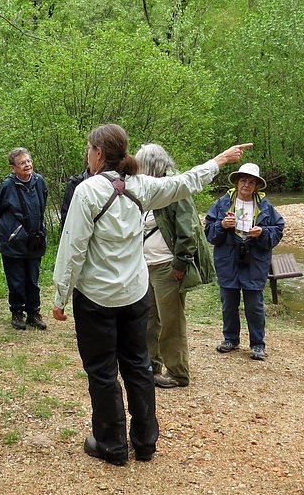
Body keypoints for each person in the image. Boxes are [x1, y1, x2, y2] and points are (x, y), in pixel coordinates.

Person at [52, 123, 250, 467]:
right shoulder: (141, 186)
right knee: (138, 366)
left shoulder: (87, 192)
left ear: (98, 152)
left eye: (89, 148)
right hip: (134, 295)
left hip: (97, 299)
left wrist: (59, 297)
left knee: (102, 370)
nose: (88, 154)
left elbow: (73, 249)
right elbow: (184, 182)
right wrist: (218, 160)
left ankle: (111, 444)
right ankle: (145, 443)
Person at [134, 143, 214, 388]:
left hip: (167, 265)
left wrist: (181, 262)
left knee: (171, 321)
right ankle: (151, 365)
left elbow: (187, 229)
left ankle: (178, 373)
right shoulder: (152, 189)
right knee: (149, 318)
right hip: (147, 264)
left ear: (150, 164)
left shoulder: (174, 187)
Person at [204, 163, 285, 361]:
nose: (246, 184)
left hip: (255, 261)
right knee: (228, 302)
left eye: (251, 181)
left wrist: (263, 232)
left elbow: (278, 229)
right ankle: (230, 339)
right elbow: (209, 232)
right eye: (243, 180)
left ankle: (258, 344)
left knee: (254, 305)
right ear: (237, 182)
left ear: (256, 185)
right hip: (228, 260)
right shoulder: (222, 204)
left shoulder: (266, 206)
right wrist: (222, 225)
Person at [0, 148, 49, 330]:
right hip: (13, 241)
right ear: (13, 167)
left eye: (29, 161)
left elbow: (43, 203)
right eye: (22, 162)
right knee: (16, 280)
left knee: (33, 278)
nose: (27, 165)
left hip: (35, 239)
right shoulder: (7, 185)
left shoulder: (39, 181)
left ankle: (34, 313)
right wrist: (12, 229)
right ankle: (17, 312)